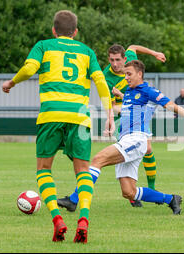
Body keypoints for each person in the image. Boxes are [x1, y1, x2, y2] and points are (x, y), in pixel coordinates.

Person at [1, 10, 114, 243]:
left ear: (54, 30)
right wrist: (110, 113)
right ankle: (83, 219)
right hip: (80, 119)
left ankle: (57, 219)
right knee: (83, 172)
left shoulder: (43, 46)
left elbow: (30, 69)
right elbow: (101, 82)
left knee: (44, 169)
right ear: (76, 31)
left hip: (51, 116)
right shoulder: (87, 52)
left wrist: (12, 82)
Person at [81, 60, 184, 217]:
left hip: (136, 140)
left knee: (98, 159)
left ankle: (75, 199)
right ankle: (171, 199)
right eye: (125, 74)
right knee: (128, 192)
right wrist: (119, 99)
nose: (126, 78)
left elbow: (174, 107)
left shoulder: (150, 91)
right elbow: (132, 103)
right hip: (125, 140)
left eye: (129, 74)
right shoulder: (130, 92)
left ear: (140, 74)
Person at [57, 44, 166, 210]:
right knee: (128, 154)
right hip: (122, 117)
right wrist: (112, 116)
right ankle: (134, 194)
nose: (115, 64)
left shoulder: (130, 61)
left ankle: (150, 189)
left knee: (147, 150)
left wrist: (154, 52)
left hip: (137, 111)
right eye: (112, 60)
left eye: (118, 60)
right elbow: (112, 106)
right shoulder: (105, 77)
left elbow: (134, 46)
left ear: (125, 58)